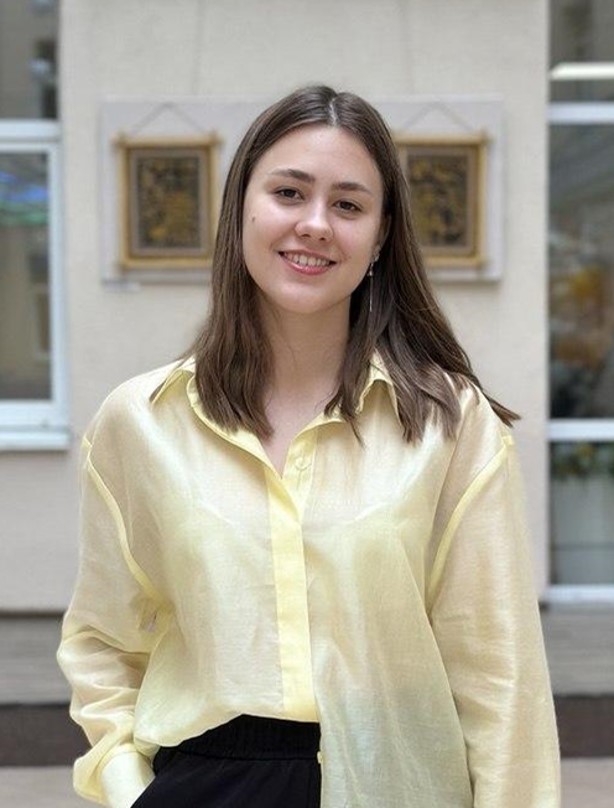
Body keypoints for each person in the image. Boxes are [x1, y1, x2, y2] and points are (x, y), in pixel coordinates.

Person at [58, 85, 561, 808]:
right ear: (241, 209)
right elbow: (105, 642)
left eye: (349, 205)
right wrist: (128, 785)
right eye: (289, 193)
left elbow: (499, 672)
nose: (315, 224)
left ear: (381, 237)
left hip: (396, 785)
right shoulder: (140, 422)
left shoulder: (450, 423)